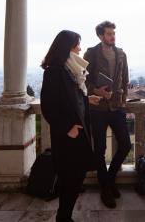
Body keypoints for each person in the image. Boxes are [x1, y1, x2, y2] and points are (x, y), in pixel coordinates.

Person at [41, 30, 100, 222]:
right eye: (77, 45)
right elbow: (48, 107)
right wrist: (68, 128)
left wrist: (86, 98)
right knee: (70, 179)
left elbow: (70, 97)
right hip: (68, 136)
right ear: (67, 47)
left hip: (78, 133)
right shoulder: (55, 71)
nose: (80, 49)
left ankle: (64, 216)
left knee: (76, 177)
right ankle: (63, 217)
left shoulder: (71, 69)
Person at [83, 21, 131, 209]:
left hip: (117, 107)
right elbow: (83, 80)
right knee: (99, 150)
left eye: (113, 33)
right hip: (97, 109)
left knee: (126, 145)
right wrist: (97, 91)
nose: (113, 36)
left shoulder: (121, 53)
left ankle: (109, 180)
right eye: (109, 33)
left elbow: (125, 79)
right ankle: (105, 188)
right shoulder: (91, 53)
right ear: (101, 36)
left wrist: (123, 99)